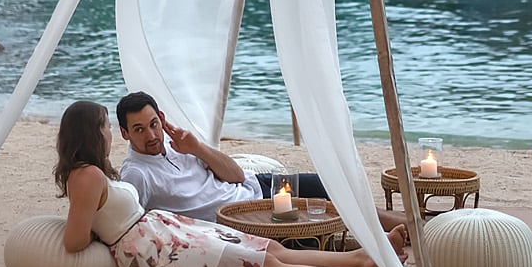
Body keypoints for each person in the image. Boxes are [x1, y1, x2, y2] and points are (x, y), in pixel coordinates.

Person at [56, 101, 405, 267]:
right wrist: (113, 237)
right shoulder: (90, 176)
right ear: (95, 132)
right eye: (105, 126)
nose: (107, 133)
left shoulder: (95, 172)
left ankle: (361, 259)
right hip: (155, 248)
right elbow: (75, 240)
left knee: (268, 250)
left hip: (166, 232)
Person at [115, 90, 406, 232]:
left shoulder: (180, 143)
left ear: (161, 118)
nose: (151, 135)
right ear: (124, 133)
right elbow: (132, 224)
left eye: (153, 124)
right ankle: (410, 229)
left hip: (256, 186)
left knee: (331, 186)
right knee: (327, 214)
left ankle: (409, 224)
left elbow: (237, 175)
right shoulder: (137, 174)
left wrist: (197, 148)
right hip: (242, 216)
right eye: (139, 130)